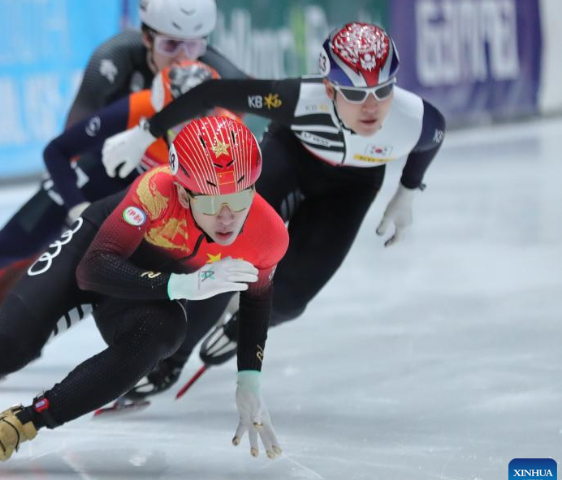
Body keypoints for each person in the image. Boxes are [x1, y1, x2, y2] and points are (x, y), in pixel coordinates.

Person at [0, 117, 289, 467]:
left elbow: (257, 298)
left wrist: (249, 380)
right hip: (93, 254)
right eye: (213, 202)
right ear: (185, 193)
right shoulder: (155, 192)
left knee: (164, 332)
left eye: (240, 199)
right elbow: (93, 270)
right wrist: (181, 284)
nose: (228, 217)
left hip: (141, 290)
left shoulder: (267, 234)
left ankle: (31, 418)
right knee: (5, 350)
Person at [0, 0, 250, 353]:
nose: (183, 59)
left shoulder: (214, 71)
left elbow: (255, 126)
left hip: (156, 182)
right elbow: (70, 139)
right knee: (11, 247)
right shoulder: (114, 57)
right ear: (146, 38)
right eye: (171, 45)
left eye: (195, 45)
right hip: (100, 167)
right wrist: (78, 206)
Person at [102, 22, 447, 397]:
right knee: (225, 254)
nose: (371, 107)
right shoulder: (295, 98)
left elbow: (432, 140)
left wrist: (408, 191)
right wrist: (145, 133)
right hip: (291, 159)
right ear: (328, 88)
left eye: (382, 91)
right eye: (354, 93)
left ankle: (240, 326)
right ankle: (169, 359)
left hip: (352, 187)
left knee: (291, 299)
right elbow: (210, 93)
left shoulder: (416, 120)